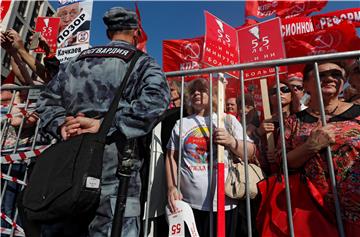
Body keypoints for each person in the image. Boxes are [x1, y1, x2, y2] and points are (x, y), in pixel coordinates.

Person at [35, 7, 170, 237]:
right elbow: (156, 101)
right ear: (136, 33)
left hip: (69, 167)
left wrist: (61, 124)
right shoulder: (141, 62)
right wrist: (107, 125)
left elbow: (45, 100)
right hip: (115, 170)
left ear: (109, 33)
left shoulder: (75, 61)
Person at [165, 78, 256, 237]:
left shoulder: (227, 120)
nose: (196, 94)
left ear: (214, 95)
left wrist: (231, 141)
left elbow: (251, 152)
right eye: (193, 91)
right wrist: (172, 186)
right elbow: (171, 156)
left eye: (202, 90)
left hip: (223, 205)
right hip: (188, 205)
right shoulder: (181, 123)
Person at [280, 61, 360, 235]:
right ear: (306, 85)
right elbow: (283, 163)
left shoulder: (358, 113)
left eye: (336, 74)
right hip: (315, 214)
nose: (329, 78)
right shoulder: (294, 122)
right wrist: (310, 146)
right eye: (321, 74)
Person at [254, 80, 300, 175]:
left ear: (291, 95)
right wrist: (258, 132)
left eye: (285, 89)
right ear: (269, 98)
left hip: (295, 173)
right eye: (274, 91)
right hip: (269, 174)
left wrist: (282, 155)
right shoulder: (263, 121)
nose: (279, 92)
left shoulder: (300, 119)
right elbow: (252, 147)